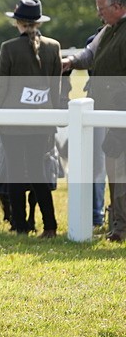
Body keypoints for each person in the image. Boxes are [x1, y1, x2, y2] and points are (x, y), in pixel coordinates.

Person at [0, 0, 62, 237]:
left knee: (15, 172)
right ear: (38, 22)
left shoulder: (8, 48)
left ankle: (20, 225)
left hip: (13, 122)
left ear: (18, 22)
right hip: (41, 122)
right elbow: (55, 88)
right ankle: (50, 225)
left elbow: (0, 87)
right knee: (38, 172)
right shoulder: (53, 46)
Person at [65, 0, 126, 242]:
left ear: (118, 6)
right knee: (114, 168)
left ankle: (120, 227)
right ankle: (118, 225)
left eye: (102, 8)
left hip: (120, 113)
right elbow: (89, 55)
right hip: (107, 112)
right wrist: (69, 61)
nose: (99, 13)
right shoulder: (107, 31)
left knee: (119, 169)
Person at [62, 27, 107, 231]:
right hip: (99, 101)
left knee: (97, 164)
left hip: (102, 98)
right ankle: (97, 213)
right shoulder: (94, 41)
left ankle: (98, 213)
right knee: (97, 164)